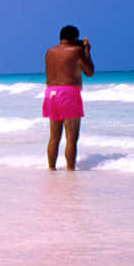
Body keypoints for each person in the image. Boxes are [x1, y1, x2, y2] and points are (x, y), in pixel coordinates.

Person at [43, 25, 95, 170]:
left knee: (54, 137)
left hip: (51, 93)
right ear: (74, 38)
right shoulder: (77, 51)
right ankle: (70, 172)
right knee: (71, 138)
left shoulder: (49, 52)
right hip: (68, 93)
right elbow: (89, 72)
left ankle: (51, 170)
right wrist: (87, 51)